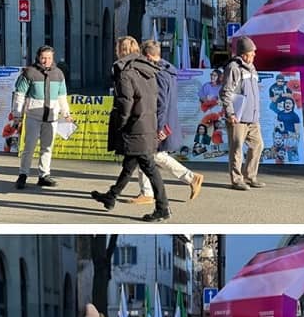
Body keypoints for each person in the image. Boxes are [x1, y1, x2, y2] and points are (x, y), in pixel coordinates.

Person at [91, 36, 171, 222]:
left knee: (149, 167)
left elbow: (124, 103)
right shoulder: (147, 70)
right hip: (146, 123)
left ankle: (163, 208)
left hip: (134, 125)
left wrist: (120, 125)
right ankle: (111, 196)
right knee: (130, 164)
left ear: (121, 50)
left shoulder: (126, 73)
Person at [128, 40, 204, 205]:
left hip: (158, 121)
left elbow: (160, 102)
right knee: (149, 155)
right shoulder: (167, 70)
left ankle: (189, 178)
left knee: (149, 154)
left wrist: (157, 126)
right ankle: (149, 191)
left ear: (148, 56)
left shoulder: (159, 74)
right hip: (164, 121)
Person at [11, 44, 72, 189]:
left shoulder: (58, 74)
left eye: (49, 58)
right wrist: (17, 115)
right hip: (33, 116)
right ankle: (23, 175)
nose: (46, 61)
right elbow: (19, 95)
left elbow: (62, 96)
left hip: (51, 117)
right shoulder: (29, 73)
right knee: (29, 147)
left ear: (53, 58)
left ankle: (44, 175)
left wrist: (66, 113)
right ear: (38, 57)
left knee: (47, 147)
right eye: (43, 58)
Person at [220, 36, 266, 190]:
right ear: (244, 54)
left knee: (258, 145)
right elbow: (225, 92)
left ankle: (250, 176)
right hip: (238, 118)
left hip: (252, 118)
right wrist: (231, 113)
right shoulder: (234, 68)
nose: (254, 56)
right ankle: (237, 179)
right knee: (237, 149)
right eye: (252, 53)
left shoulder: (252, 68)